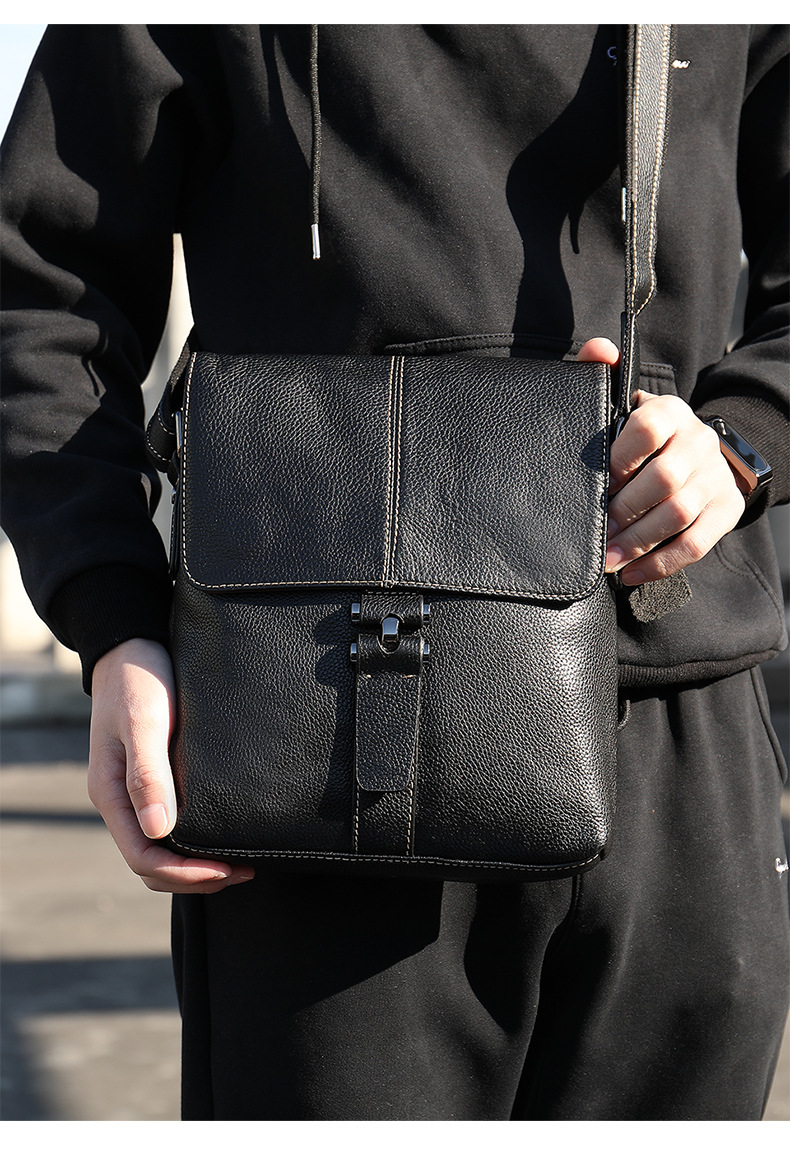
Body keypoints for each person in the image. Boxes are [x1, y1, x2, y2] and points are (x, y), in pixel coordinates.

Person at [1, 24, 788, 1121]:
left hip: (678, 712)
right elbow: (41, 295)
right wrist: (112, 614)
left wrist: (744, 440)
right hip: (318, 710)